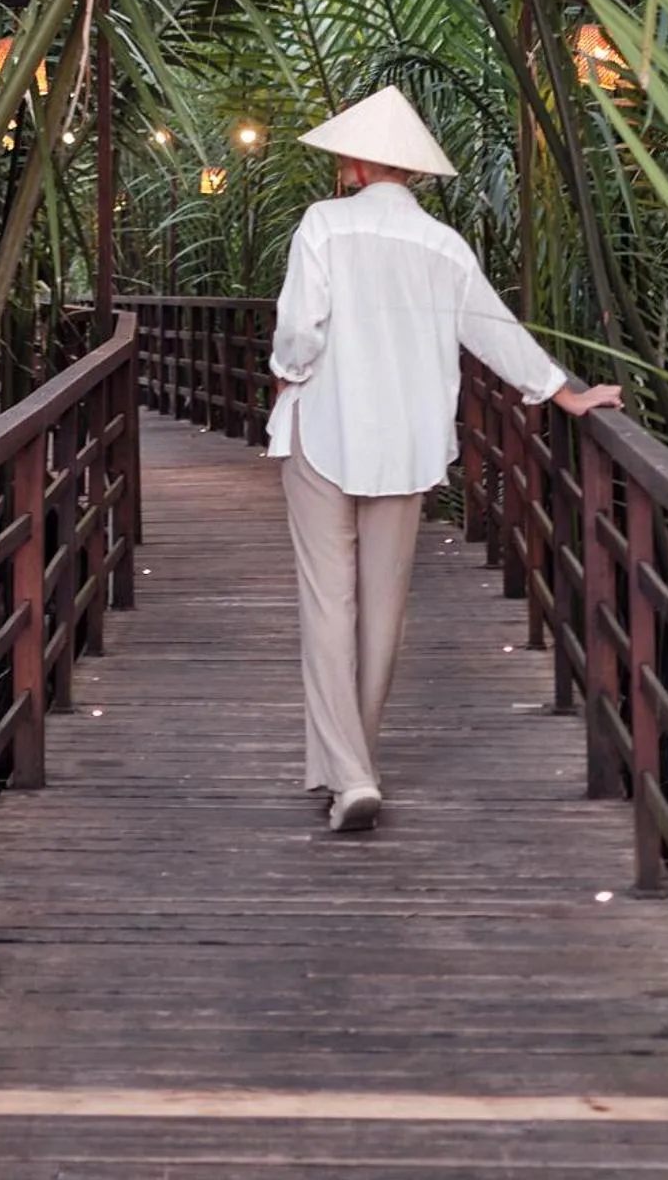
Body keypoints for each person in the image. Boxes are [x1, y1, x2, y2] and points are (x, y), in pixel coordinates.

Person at [265, 86, 623, 834]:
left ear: (360, 162)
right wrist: (564, 393)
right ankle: (356, 765)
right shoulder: (444, 246)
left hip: (324, 430)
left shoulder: (323, 225)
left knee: (328, 604)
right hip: (406, 444)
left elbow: (299, 332)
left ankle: (351, 775)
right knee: (384, 608)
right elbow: (493, 330)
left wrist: (286, 373)